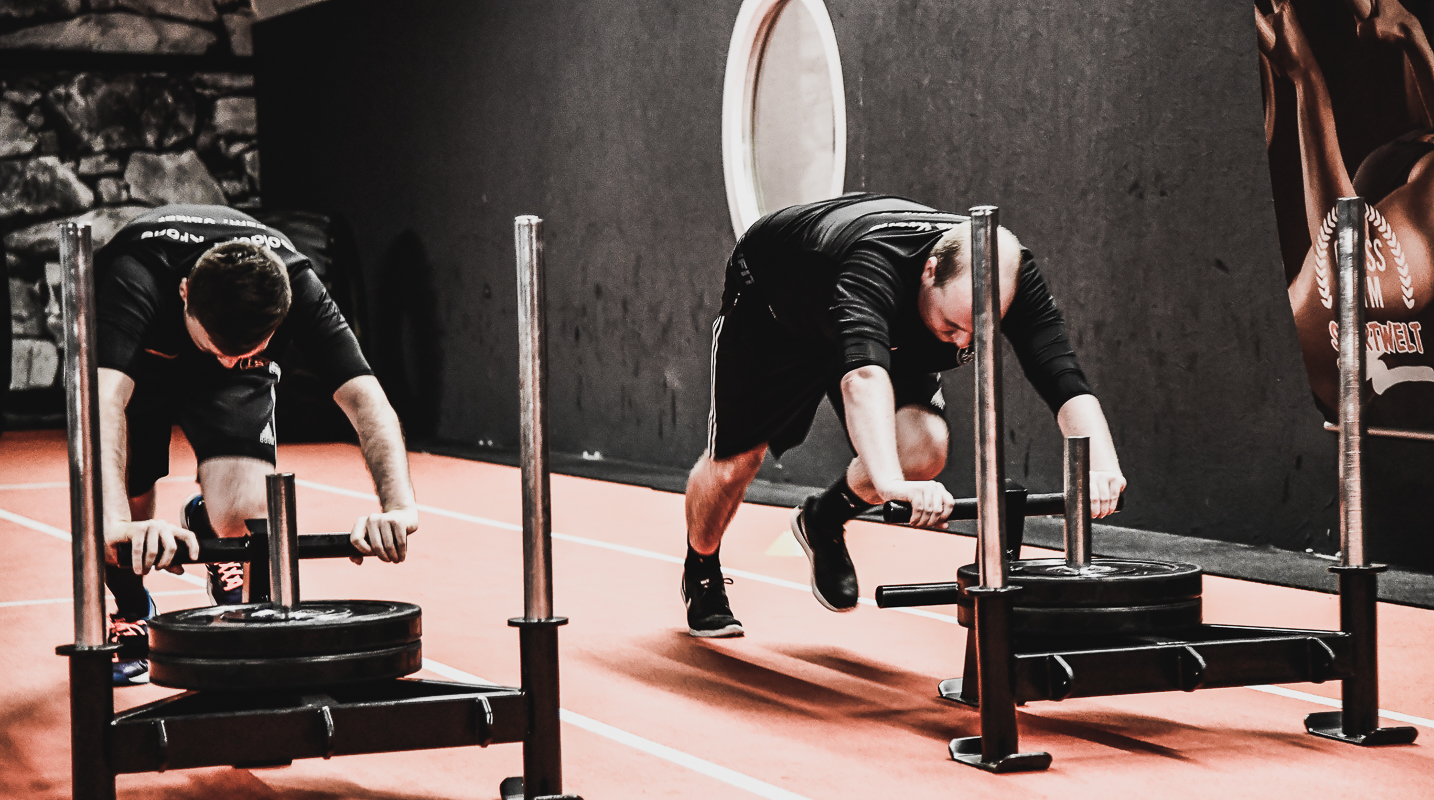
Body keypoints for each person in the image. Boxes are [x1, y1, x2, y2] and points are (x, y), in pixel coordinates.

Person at [681, 193, 1126, 638]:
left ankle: (824, 518)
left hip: (889, 327)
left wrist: (1101, 467)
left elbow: (1063, 378)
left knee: (923, 447)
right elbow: (862, 381)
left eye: (977, 332)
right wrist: (891, 485)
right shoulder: (874, 262)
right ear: (930, 271)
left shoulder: (1007, 270)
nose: (960, 343)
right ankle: (701, 566)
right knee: (735, 466)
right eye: (952, 326)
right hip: (779, 304)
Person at [94, 205, 420, 685]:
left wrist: (399, 508)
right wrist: (116, 524)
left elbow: (367, 401)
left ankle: (214, 524)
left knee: (249, 512)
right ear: (184, 294)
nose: (228, 362)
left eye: (244, 350)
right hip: (142, 366)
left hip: (226, 373)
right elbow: (102, 405)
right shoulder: (133, 277)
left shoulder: (296, 287)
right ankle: (131, 610)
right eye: (221, 349)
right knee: (126, 503)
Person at [1256, 0, 1434, 424]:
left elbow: (1347, 276)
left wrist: (1306, 79)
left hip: (1321, 397)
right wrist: (1412, 38)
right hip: (1286, 373)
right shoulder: (1414, 154)